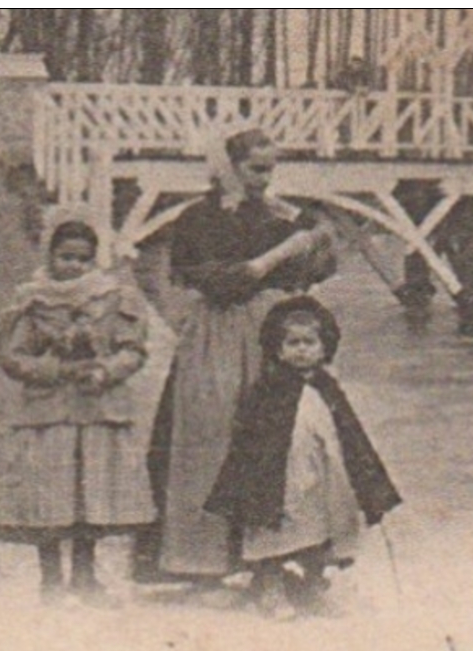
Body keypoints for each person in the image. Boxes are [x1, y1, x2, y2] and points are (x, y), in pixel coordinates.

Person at [134, 129, 338, 587]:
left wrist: (314, 239)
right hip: (219, 333)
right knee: (209, 436)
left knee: (283, 439)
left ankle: (281, 557)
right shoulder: (198, 218)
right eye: (256, 169)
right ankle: (205, 562)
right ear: (228, 166)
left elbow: (322, 265)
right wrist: (276, 256)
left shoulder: (279, 213)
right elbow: (218, 282)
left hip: (272, 334)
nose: (265, 180)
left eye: (270, 170)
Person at [205, 296, 402, 620]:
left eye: (309, 342)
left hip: (320, 478)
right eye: (291, 343)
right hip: (278, 480)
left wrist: (367, 483)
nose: (301, 350)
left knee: (321, 530)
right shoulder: (268, 390)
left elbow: (350, 436)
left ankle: (313, 586)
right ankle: (270, 586)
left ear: (324, 347)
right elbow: (249, 441)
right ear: (278, 349)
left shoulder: (328, 388)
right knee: (274, 533)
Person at [0, 221, 155, 606]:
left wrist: (106, 370)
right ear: (50, 256)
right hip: (49, 414)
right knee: (48, 496)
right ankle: (50, 580)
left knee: (89, 494)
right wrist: (55, 370)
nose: (74, 266)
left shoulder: (112, 297)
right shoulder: (31, 301)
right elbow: (12, 356)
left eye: (83, 259)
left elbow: (132, 349)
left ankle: (84, 576)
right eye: (66, 257)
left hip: (97, 410)